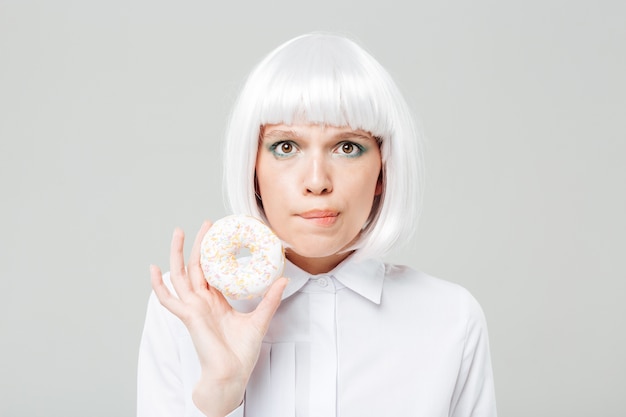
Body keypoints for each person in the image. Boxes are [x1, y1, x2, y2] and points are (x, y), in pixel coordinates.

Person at [137, 33, 497, 417]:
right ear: (253, 169)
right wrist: (220, 395)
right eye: (286, 147)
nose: (317, 181)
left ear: (382, 172)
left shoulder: (450, 317)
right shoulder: (186, 309)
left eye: (347, 147)